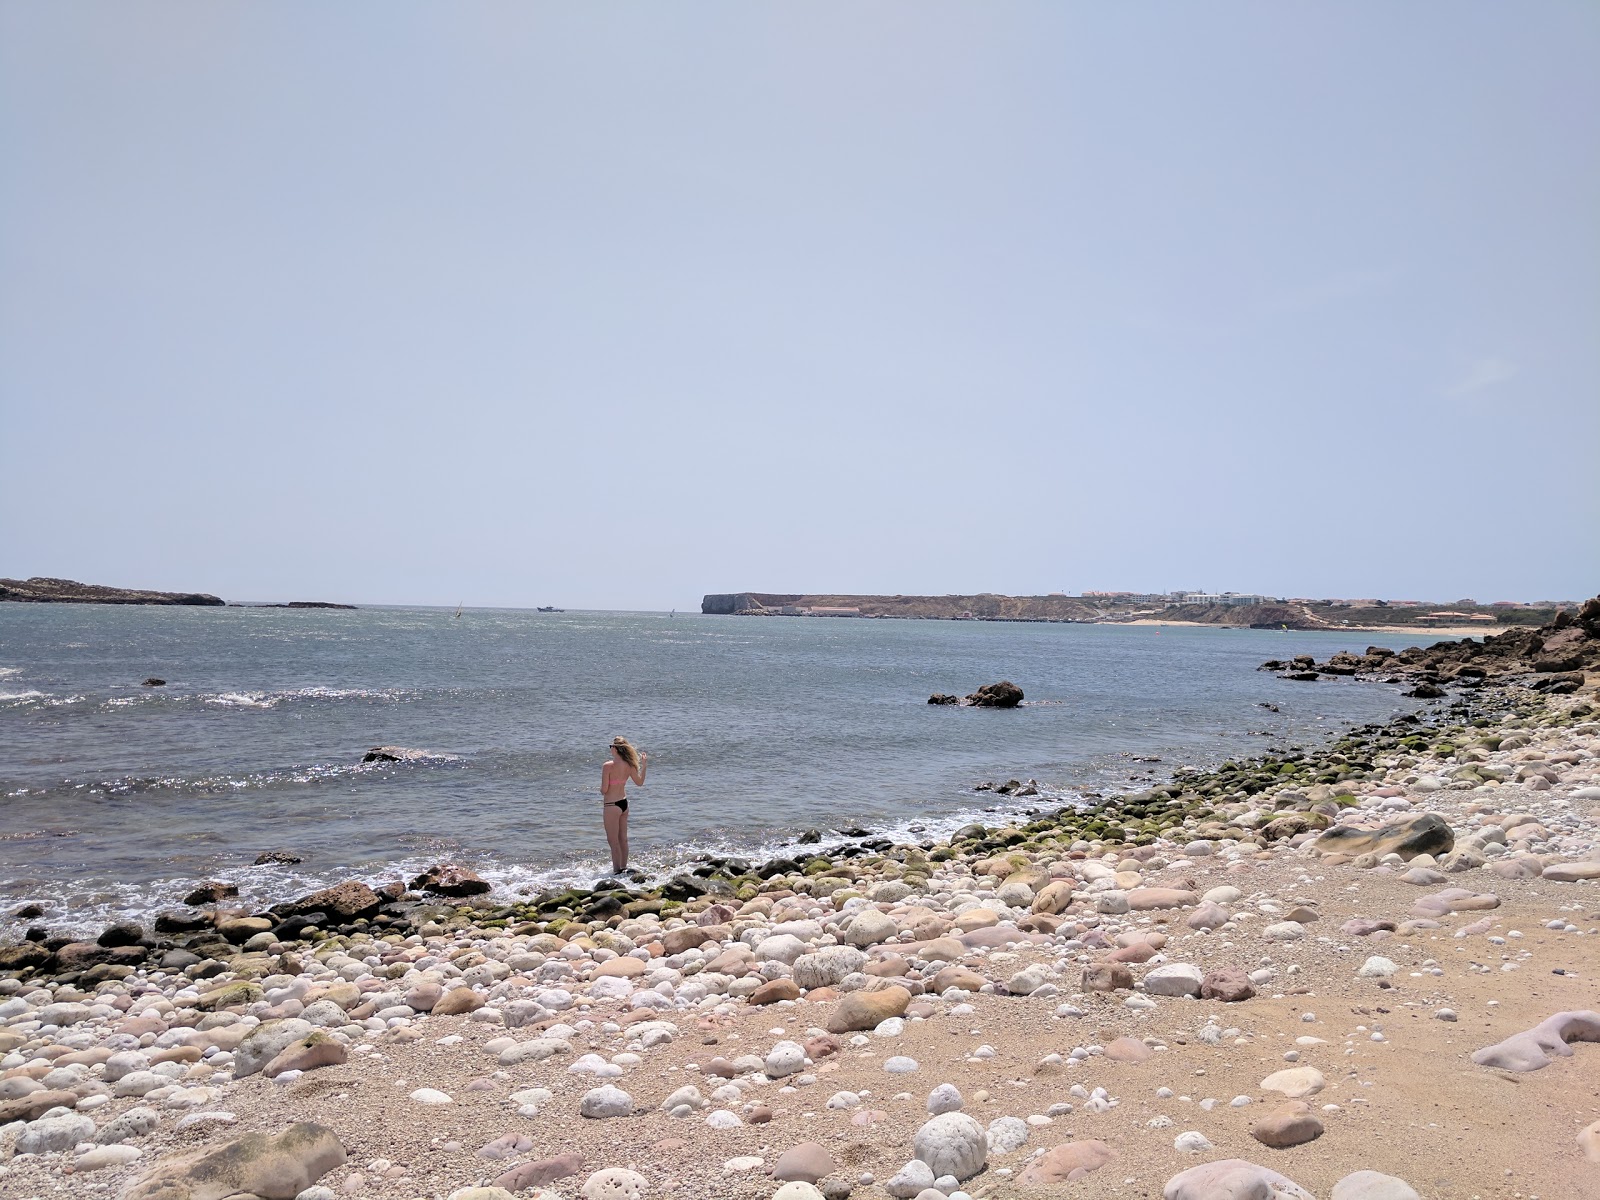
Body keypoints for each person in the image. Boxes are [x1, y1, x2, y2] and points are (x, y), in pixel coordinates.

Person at [600, 736, 646, 873]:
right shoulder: (629, 765)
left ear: (615, 749)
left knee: (613, 842)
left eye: (611, 747)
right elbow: (640, 783)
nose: (610, 749)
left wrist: (600, 788)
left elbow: (604, 790)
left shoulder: (608, 766)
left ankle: (616, 871)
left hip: (611, 805)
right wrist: (644, 766)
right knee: (623, 840)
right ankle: (624, 867)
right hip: (624, 804)